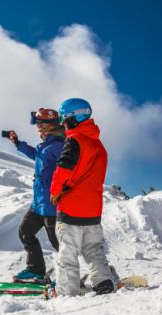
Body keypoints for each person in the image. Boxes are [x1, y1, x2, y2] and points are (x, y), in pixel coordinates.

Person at [50, 98, 116, 296]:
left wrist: (55, 192)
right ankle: (103, 281)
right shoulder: (99, 145)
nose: (62, 123)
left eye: (64, 118)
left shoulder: (75, 139)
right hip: (92, 210)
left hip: (71, 209)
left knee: (68, 253)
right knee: (94, 249)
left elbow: (63, 170)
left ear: (73, 117)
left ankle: (66, 292)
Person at [6, 108, 65, 284]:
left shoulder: (59, 146)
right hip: (38, 203)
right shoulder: (45, 145)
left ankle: (69, 275)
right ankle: (36, 270)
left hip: (52, 203)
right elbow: (36, 155)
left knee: (58, 243)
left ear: (49, 125)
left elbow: (68, 170)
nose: (37, 128)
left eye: (39, 125)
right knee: (26, 232)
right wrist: (17, 143)